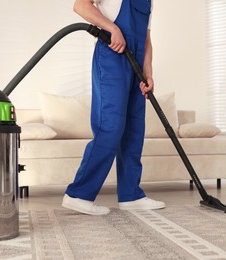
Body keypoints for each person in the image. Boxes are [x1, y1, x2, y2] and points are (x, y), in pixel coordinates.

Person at [62, 0, 165, 215]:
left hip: (136, 64)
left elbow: (146, 39)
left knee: (134, 130)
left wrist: (148, 74)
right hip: (111, 59)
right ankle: (79, 194)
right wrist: (112, 28)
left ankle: (131, 195)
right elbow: (81, 6)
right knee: (111, 125)